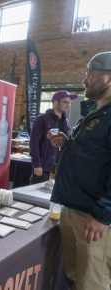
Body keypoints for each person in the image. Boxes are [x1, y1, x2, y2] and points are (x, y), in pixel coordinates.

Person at [48, 51, 111, 290]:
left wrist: (103, 215)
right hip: (73, 210)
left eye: (91, 74)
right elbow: (94, 154)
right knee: (75, 277)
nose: (85, 79)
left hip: (93, 220)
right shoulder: (94, 112)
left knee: (91, 284)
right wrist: (67, 142)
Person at [28, 90, 77, 184]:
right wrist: (37, 164)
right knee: (37, 196)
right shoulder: (41, 120)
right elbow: (34, 144)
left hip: (59, 170)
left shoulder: (67, 122)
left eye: (69, 103)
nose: (68, 105)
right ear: (55, 102)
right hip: (43, 169)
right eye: (65, 102)